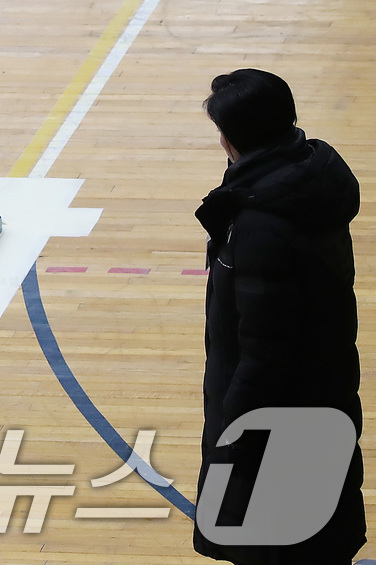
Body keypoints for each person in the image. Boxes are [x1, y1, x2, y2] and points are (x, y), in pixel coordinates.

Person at [193, 69, 365, 564]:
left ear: (231, 138)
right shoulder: (309, 180)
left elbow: (265, 353)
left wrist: (233, 439)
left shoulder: (261, 226)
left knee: (276, 545)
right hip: (322, 393)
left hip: (275, 425)